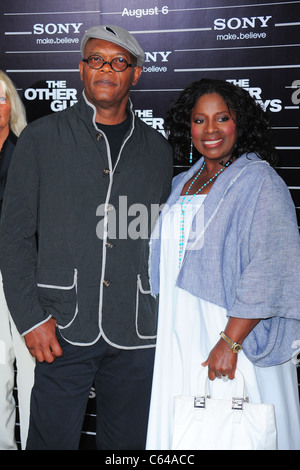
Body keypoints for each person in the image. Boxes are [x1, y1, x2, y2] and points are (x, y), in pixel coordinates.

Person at [0, 26, 173, 450]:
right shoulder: (41, 139)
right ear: (81, 70)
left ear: (135, 74)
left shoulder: (158, 148)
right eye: (96, 59)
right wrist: (31, 319)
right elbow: (15, 235)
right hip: (59, 328)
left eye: (119, 62)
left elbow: (160, 240)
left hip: (137, 330)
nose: (106, 70)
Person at [146, 78, 300, 450]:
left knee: (238, 429)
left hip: (233, 333)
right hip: (181, 331)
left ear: (239, 123)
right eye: (199, 120)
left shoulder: (260, 181)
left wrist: (229, 342)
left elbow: (271, 267)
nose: (210, 130)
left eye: (222, 118)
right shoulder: (183, 181)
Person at [0, 70, 35, 450]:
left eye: (0, 97)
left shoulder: (31, 150)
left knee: (33, 377)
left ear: (12, 105)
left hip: (28, 278)